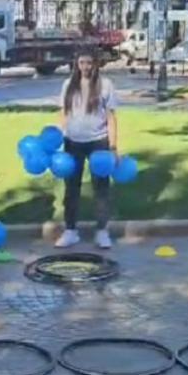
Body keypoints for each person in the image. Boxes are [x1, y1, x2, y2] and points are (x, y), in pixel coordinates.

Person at [55, 48, 120, 250]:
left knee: (101, 187)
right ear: (77, 64)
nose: (85, 67)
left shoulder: (105, 85)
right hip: (72, 142)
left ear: (96, 64)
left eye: (89, 62)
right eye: (82, 62)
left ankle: (102, 231)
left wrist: (114, 146)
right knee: (71, 187)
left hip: (98, 142)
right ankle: (70, 230)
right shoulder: (69, 85)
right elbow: (63, 114)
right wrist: (58, 136)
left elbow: (111, 118)